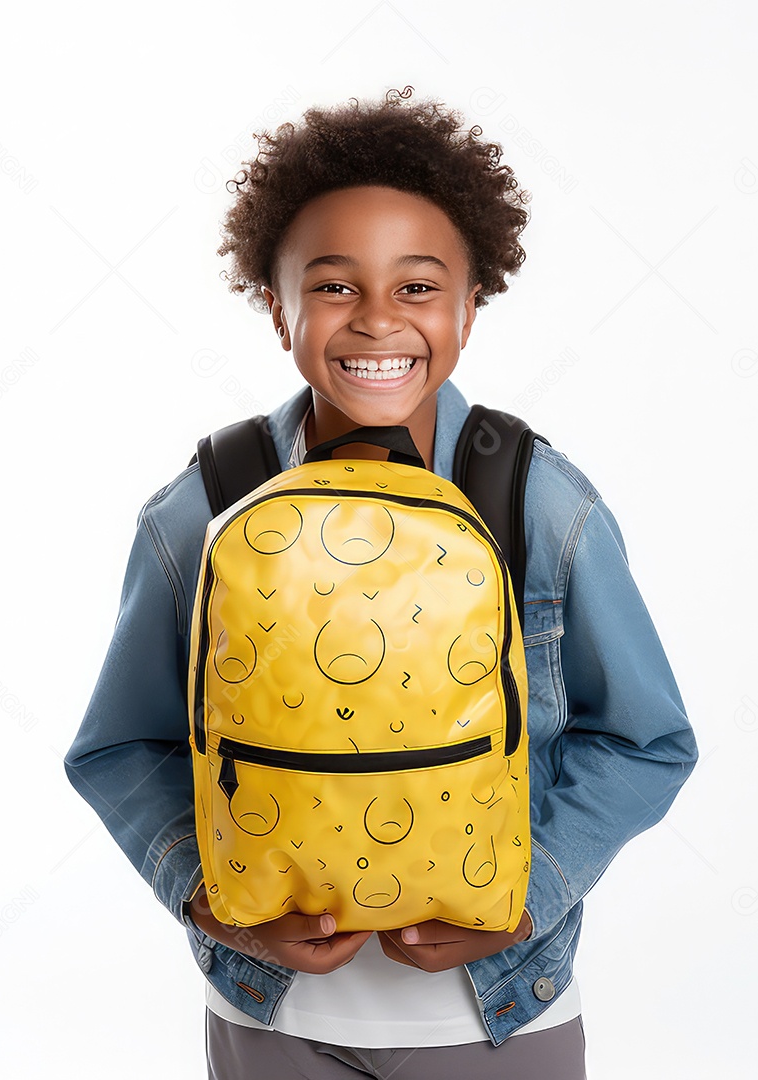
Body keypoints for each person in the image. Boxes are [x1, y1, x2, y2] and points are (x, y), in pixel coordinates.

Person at [64, 86, 699, 1080]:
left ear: (468, 304)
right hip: (270, 1018)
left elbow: (648, 737)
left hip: (500, 1021)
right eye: (331, 286)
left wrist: (528, 895)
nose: (375, 321)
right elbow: (118, 745)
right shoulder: (206, 508)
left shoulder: (536, 499)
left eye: (415, 287)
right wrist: (211, 901)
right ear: (276, 308)